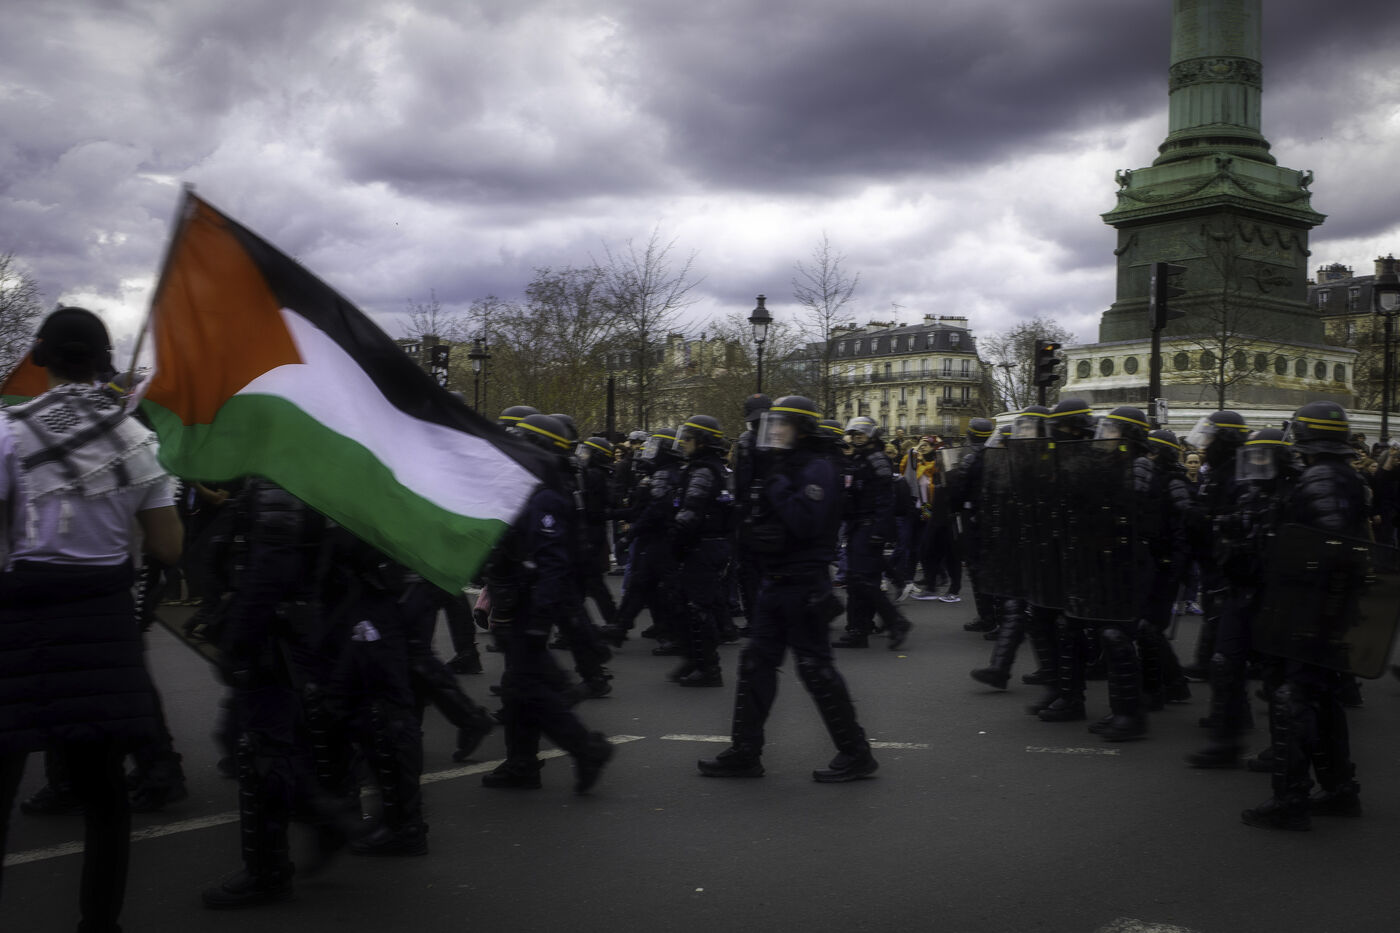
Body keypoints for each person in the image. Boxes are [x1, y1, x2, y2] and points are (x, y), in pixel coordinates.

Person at [0, 307, 184, 933]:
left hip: (19, 621)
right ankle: (99, 925)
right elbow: (167, 548)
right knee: (104, 796)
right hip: (102, 626)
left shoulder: (9, 431)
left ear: (40, 358)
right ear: (103, 362)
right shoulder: (137, 440)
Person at [698, 397, 877, 782]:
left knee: (815, 669)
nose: (774, 432)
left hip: (804, 584)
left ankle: (856, 752)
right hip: (775, 580)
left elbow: (803, 521)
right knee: (755, 665)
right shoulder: (781, 464)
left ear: (802, 429)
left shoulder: (817, 468)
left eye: (783, 425)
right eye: (772, 424)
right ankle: (745, 751)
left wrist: (775, 480)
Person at [1243, 402, 1369, 830]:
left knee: (1293, 699)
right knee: (1322, 698)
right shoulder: (1338, 474)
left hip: (1310, 608)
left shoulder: (1321, 478)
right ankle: (1339, 789)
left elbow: (1330, 545)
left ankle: (1290, 799)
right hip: (1325, 607)